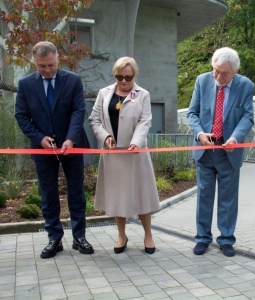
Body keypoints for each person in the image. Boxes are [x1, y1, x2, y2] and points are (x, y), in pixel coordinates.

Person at [15, 41, 94, 258]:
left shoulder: (73, 80)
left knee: (76, 191)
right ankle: (54, 239)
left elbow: (79, 111)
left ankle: (79, 237)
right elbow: (21, 115)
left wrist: (70, 139)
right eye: (42, 66)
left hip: (73, 145)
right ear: (35, 62)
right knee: (48, 193)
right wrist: (39, 138)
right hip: (43, 149)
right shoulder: (25, 84)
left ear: (57, 58)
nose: (48, 70)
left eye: (51, 65)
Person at [187, 47, 254, 257]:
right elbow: (192, 113)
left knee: (228, 198)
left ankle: (226, 239)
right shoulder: (202, 81)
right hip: (205, 150)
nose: (218, 76)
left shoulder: (246, 86)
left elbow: (247, 117)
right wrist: (200, 134)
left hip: (229, 150)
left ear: (235, 71)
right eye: (216, 71)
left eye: (224, 73)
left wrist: (235, 137)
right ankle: (202, 238)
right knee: (204, 196)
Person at [89, 56, 160, 254]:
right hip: (113, 155)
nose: (123, 81)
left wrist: (136, 142)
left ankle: (148, 235)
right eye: (119, 76)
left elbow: (145, 121)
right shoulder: (104, 93)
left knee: (142, 195)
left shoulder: (142, 94)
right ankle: (121, 235)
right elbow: (94, 119)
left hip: (135, 154)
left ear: (135, 75)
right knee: (117, 197)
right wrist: (105, 137)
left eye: (128, 77)